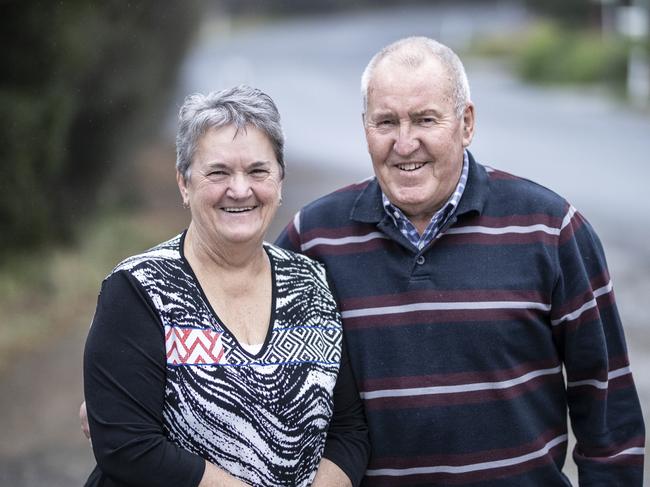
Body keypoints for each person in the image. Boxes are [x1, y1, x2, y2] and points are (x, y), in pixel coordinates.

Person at [275, 37, 645, 485]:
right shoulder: (313, 239)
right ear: (365, 127)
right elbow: (270, 392)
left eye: (425, 119)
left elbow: (608, 411)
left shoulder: (550, 229)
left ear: (466, 123)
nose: (404, 142)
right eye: (386, 122)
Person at [82, 85, 369, 487]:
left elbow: (348, 431)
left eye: (257, 171)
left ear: (280, 180)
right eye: (218, 172)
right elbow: (126, 445)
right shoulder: (137, 289)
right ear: (184, 183)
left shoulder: (312, 282)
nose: (239, 189)